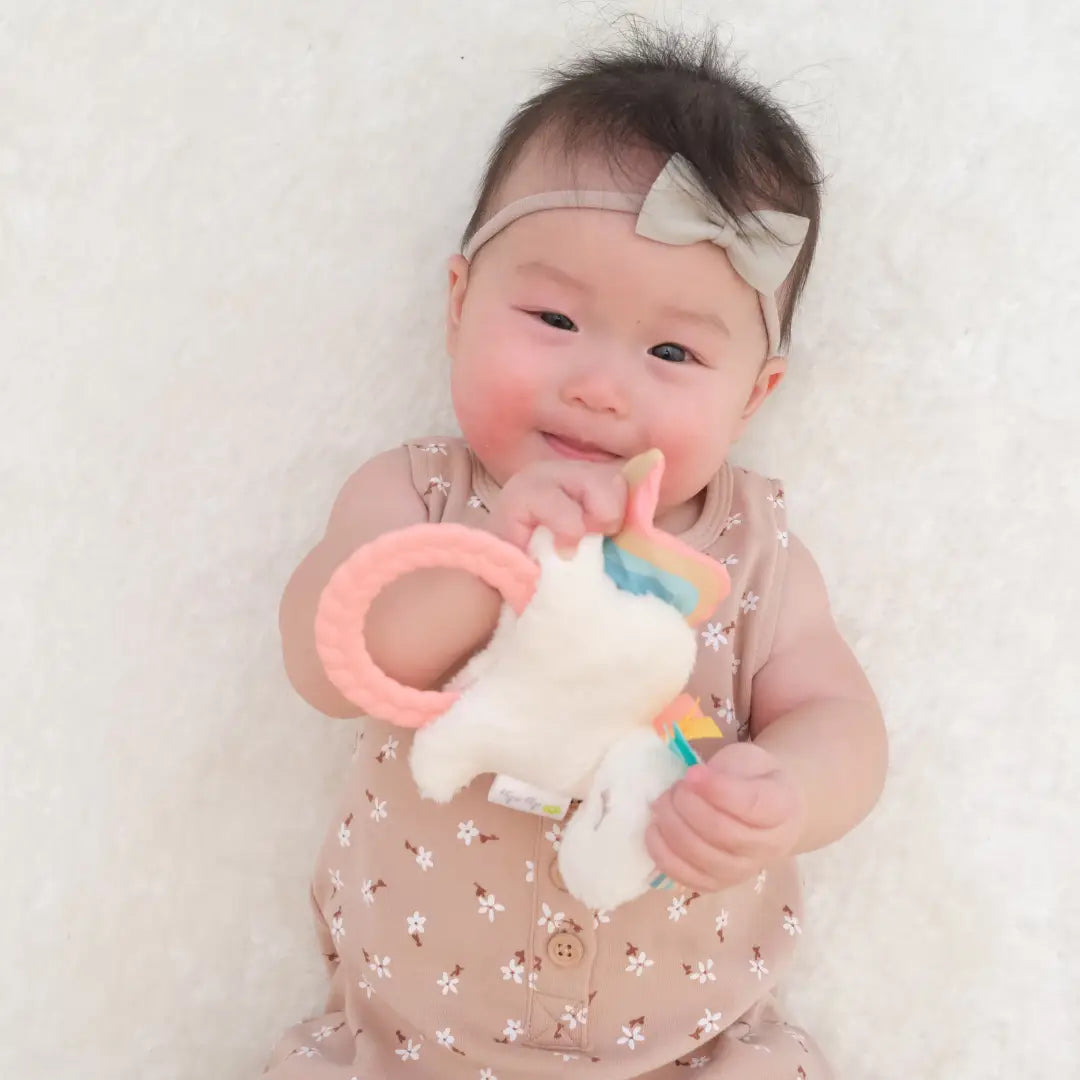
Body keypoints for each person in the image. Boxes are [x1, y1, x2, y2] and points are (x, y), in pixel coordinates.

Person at [266, 23, 886, 1079]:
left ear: (753, 394)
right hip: (404, 1047)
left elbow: (844, 720)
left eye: (672, 351)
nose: (601, 384)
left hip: (691, 1048)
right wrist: (485, 560)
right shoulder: (422, 497)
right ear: (459, 306)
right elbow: (329, 665)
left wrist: (782, 793)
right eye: (553, 316)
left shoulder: (754, 549)